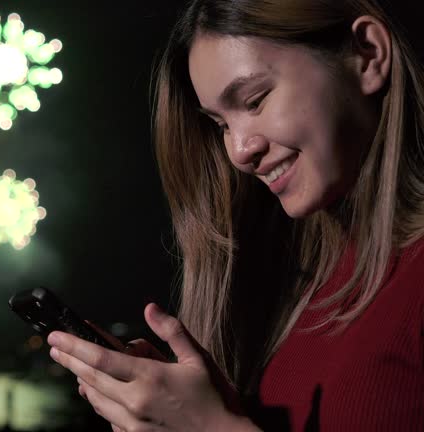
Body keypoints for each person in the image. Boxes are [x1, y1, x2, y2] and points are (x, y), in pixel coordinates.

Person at [46, 0, 424, 430]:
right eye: (221, 125)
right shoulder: (300, 293)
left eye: (255, 100)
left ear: (369, 54)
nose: (240, 151)